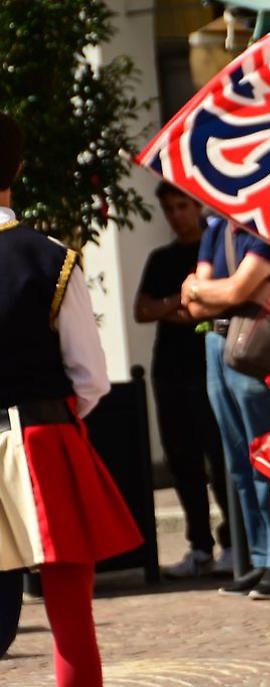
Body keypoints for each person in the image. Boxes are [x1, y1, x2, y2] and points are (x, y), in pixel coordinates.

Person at [0, 112, 143, 684]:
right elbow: (91, 379)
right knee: (70, 619)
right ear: (19, 167)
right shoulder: (51, 256)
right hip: (44, 441)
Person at [181, 217, 270, 600]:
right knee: (238, 462)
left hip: (254, 346)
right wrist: (221, 291)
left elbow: (226, 292)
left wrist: (206, 289)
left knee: (267, 458)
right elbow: (193, 306)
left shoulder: (266, 226)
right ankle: (261, 557)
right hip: (216, 343)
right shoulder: (216, 229)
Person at [135, 182, 232, 577]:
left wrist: (181, 306)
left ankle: (232, 543)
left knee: (220, 458)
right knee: (182, 461)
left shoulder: (213, 249)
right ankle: (199, 546)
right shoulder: (161, 258)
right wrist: (182, 300)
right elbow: (143, 309)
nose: (176, 216)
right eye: (169, 209)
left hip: (207, 368)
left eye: (181, 206)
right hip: (169, 371)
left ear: (196, 206)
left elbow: (206, 308)